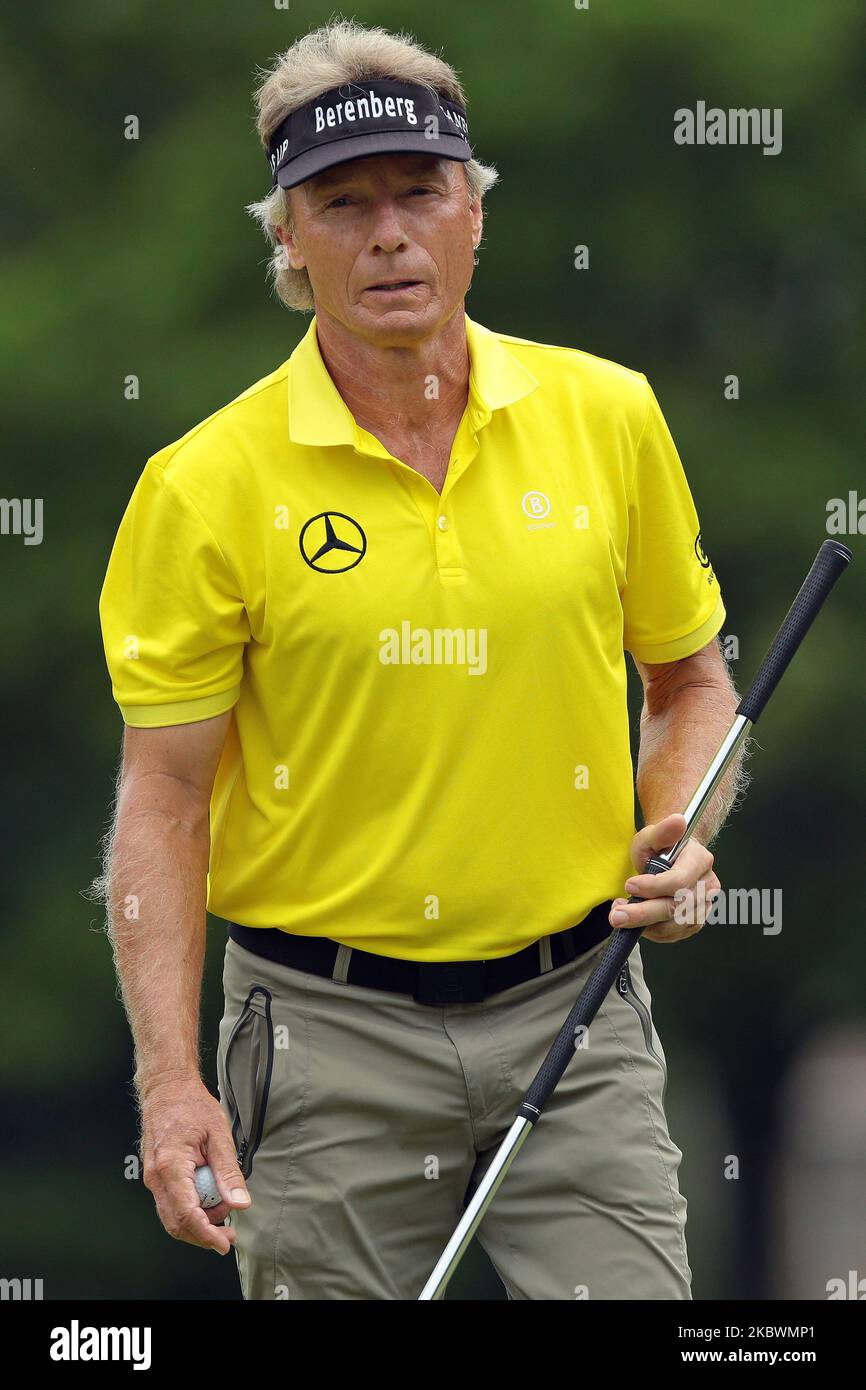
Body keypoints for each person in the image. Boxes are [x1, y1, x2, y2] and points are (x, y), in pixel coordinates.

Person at [96, 17, 746, 1300]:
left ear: (475, 215)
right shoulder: (201, 484)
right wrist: (171, 1086)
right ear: (286, 238)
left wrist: (670, 824)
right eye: (341, 204)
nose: (387, 233)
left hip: (578, 1008)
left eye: (419, 191)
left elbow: (691, 682)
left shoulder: (607, 415)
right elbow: (165, 799)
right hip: (323, 1036)